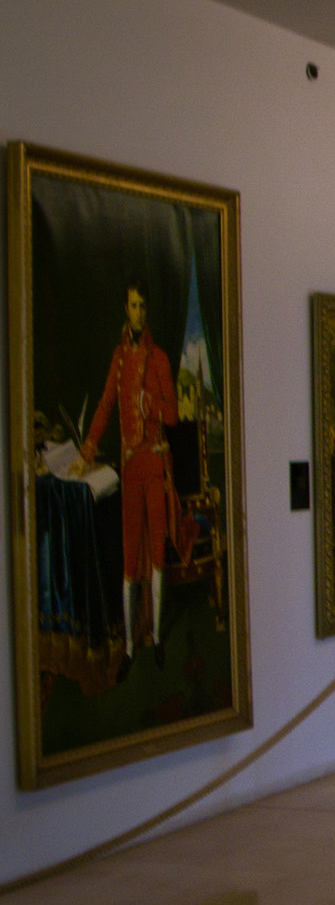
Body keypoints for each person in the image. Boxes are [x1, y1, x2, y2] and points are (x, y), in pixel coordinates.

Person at [74, 277, 191, 663]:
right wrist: (88, 450)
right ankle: (127, 647)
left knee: (156, 554)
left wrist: (149, 404)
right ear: (126, 309)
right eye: (133, 305)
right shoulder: (119, 358)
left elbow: (173, 416)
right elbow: (107, 404)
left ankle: (155, 637)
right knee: (129, 559)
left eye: (143, 305)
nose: (138, 312)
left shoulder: (158, 359)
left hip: (155, 464)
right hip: (131, 467)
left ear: (148, 310)